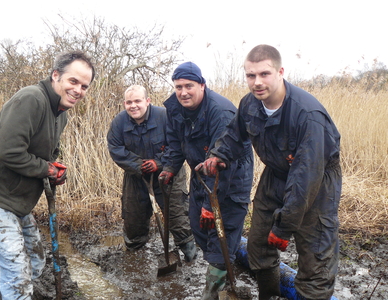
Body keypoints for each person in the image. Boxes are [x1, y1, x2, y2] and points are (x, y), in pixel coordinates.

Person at [196, 44, 342, 300]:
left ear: (280, 72)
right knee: (259, 249)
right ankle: (269, 295)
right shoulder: (250, 104)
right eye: (251, 75)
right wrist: (218, 155)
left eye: (264, 74)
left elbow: (305, 180)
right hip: (275, 175)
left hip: (317, 185)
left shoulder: (307, 115)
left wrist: (283, 228)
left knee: (315, 264)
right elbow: (233, 135)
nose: (257, 82)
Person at [0, 51, 95, 299]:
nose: (78, 90)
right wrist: (46, 169)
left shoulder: (61, 113)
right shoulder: (31, 99)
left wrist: (54, 169)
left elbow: (45, 154)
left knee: (36, 261)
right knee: (17, 272)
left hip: (17, 204)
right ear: (55, 75)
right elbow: (7, 151)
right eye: (73, 81)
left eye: (84, 86)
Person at [159, 62, 254, 299]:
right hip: (200, 176)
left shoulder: (220, 112)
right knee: (199, 227)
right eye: (178, 86)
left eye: (189, 86)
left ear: (202, 85)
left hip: (230, 177)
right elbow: (174, 143)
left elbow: (223, 160)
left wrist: (211, 205)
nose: (183, 92)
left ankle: (212, 292)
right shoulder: (175, 108)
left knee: (223, 234)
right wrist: (170, 167)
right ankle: (223, 265)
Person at [107, 85, 196, 261]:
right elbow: (115, 149)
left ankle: (190, 255)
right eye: (129, 102)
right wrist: (139, 165)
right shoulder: (119, 122)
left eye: (138, 101)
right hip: (136, 175)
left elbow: (178, 144)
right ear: (124, 104)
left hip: (169, 173)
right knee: (133, 217)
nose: (133, 106)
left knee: (177, 216)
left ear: (147, 101)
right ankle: (135, 260)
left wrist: (159, 162)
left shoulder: (164, 116)